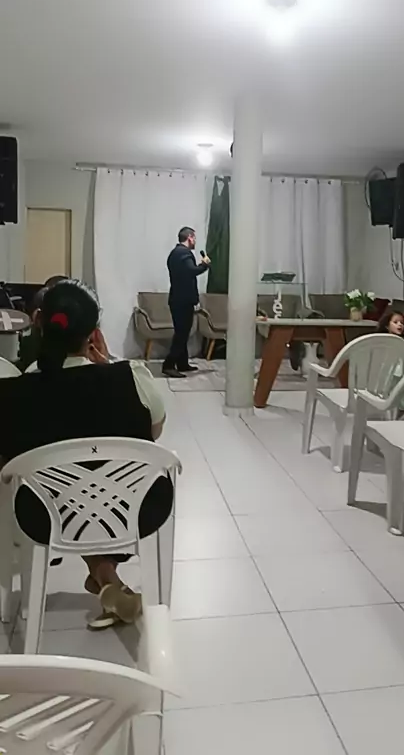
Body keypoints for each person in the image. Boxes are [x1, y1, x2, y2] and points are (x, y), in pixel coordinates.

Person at [0, 279, 171, 631]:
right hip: (133, 509)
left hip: (46, 517)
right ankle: (107, 577)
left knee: (63, 490)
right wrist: (110, 367)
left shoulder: (15, 392)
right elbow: (154, 430)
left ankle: (104, 578)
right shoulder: (130, 377)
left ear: (37, 321)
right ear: (94, 333)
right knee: (93, 487)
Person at [162, 226, 210, 378]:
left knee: (182, 332)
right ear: (189, 237)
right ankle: (169, 365)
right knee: (182, 334)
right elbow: (191, 271)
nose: (195, 241)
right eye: (194, 238)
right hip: (182, 301)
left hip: (177, 299)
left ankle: (182, 363)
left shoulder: (175, 253)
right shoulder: (184, 253)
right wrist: (204, 265)